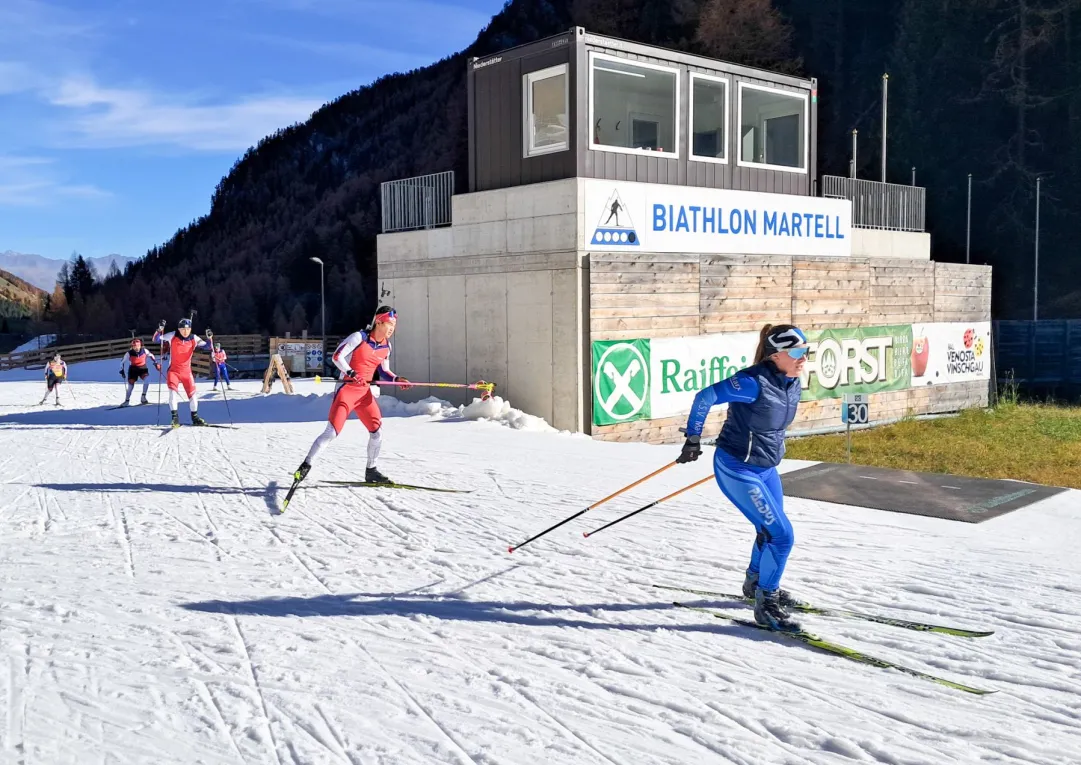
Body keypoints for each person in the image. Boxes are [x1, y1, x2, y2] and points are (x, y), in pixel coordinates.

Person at [676, 324, 809, 632]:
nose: (804, 358)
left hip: (765, 468)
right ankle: (766, 605)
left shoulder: (792, 382)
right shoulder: (751, 382)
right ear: (776, 356)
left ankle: (754, 584)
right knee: (782, 535)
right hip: (738, 468)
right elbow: (705, 396)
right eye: (798, 353)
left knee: (769, 531)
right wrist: (693, 439)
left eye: (806, 351)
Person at [292, 306, 411, 485]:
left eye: (394, 324)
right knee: (331, 432)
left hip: (364, 395)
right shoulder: (359, 338)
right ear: (378, 322)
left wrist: (397, 379)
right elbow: (336, 357)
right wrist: (352, 373)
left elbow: (384, 370)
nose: (392, 328)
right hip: (347, 391)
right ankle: (305, 466)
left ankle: (371, 471)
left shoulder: (387, 346)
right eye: (389, 324)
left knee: (377, 432)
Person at [152, 318, 213, 427]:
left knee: (193, 395)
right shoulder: (173, 335)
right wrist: (159, 329)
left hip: (186, 371)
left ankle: (195, 418)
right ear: (179, 329)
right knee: (172, 393)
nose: (185, 331)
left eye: (188, 329)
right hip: (174, 371)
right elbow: (156, 339)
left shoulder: (194, 338)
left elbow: (208, 347)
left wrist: (209, 338)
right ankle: (174, 418)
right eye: (183, 329)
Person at [119, 338, 161, 406]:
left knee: (147, 380)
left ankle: (143, 397)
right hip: (133, 369)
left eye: (137, 346)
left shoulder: (144, 351)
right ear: (132, 346)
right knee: (130, 386)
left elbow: (151, 355)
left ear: (140, 345)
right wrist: (122, 370)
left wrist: (156, 363)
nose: (136, 348)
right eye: (134, 346)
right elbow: (122, 362)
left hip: (142, 368)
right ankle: (126, 401)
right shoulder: (129, 353)